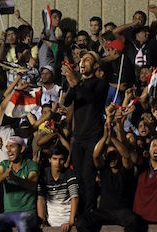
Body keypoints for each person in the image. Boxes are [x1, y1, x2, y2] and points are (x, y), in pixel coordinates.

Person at [61, 51, 107, 212]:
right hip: (77, 136)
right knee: (79, 176)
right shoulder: (78, 83)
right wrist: (72, 83)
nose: (83, 62)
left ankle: (90, 211)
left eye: (87, 59)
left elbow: (92, 99)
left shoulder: (100, 83)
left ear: (95, 66)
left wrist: (77, 84)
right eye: (82, 59)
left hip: (92, 135)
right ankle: (80, 211)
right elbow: (67, 101)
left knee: (88, 175)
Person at [0, 136, 38, 232]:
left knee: (22, 223)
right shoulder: (4, 165)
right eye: (7, 147)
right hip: (8, 213)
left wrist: (14, 178)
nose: (9, 150)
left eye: (12, 146)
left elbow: (32, 184)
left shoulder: (30, 164)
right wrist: (5, 175)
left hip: (28, 212)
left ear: (22, 149)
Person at [37, 145, 78, 230]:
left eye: (61, 159)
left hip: (67, 221)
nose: (58, 163)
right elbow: (41, 199)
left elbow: (75, 197)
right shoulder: (44, 174)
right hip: (50, 221)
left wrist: (70, 222)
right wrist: (42, 221)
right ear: (49, 159)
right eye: (54, 159)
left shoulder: (69, 173)